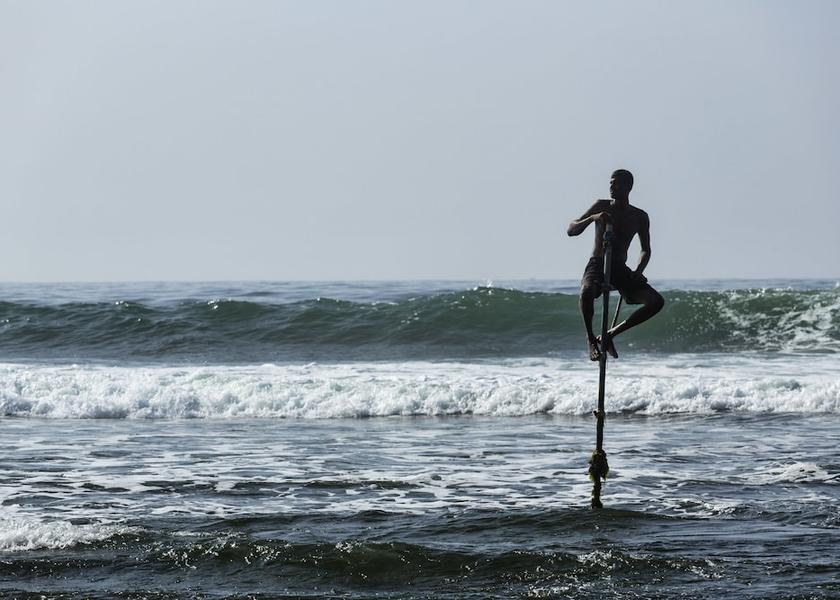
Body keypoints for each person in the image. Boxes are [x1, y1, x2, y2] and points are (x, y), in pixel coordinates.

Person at [567, 169, 664, 361]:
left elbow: (646, 250)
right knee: (586, 292)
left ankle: (609, 335)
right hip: (597, 264)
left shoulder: (639, 216)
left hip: (620, 268)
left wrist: (638, 271)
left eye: (617, 184)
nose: (612, 187)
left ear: (628, 187)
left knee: (656, 302)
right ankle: (590, 340)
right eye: (611, 183)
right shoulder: (601, 205)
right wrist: (593, 218)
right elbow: (571, 229)